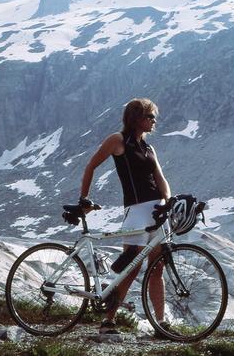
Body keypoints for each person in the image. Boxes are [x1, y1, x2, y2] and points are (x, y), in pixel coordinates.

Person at [79, 98, 170, 335]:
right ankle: (108, 320)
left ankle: (160, 324)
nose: (154, 121)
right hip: (136, 210)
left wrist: (168, 201)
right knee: (131, 268)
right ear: (136, 117)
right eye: (150, 116)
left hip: (157, 210)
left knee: (157, 269)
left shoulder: (149, 148)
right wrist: (84, 198)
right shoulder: (118, 141)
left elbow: (160, 178)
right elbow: (90, 166)